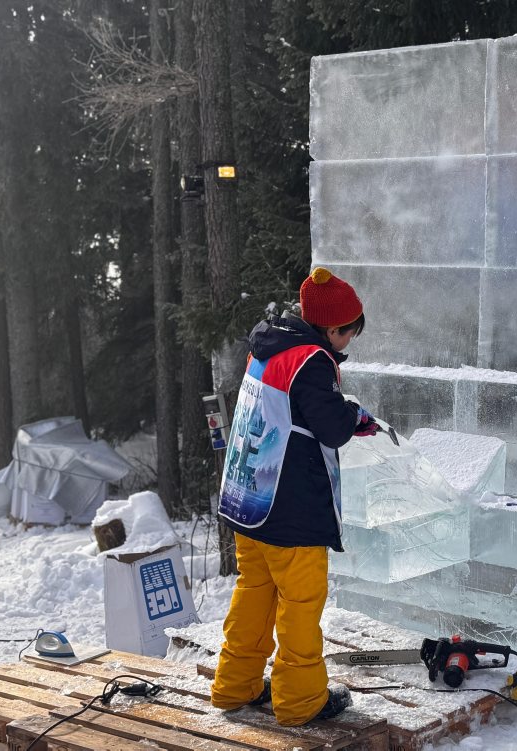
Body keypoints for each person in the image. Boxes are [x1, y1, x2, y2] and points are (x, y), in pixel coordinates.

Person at [209, 266, 378, 726]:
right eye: (349, 334)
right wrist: (352, 416)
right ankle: (301, 701)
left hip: (249, 500)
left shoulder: (268, 344)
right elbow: (329, 428)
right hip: (290, 512)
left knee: (254, 595)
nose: (348, 344)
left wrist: (342, 410)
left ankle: (235, 685)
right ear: (333, 327)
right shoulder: (312, 360)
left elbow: (292, 410)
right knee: (300, 607)